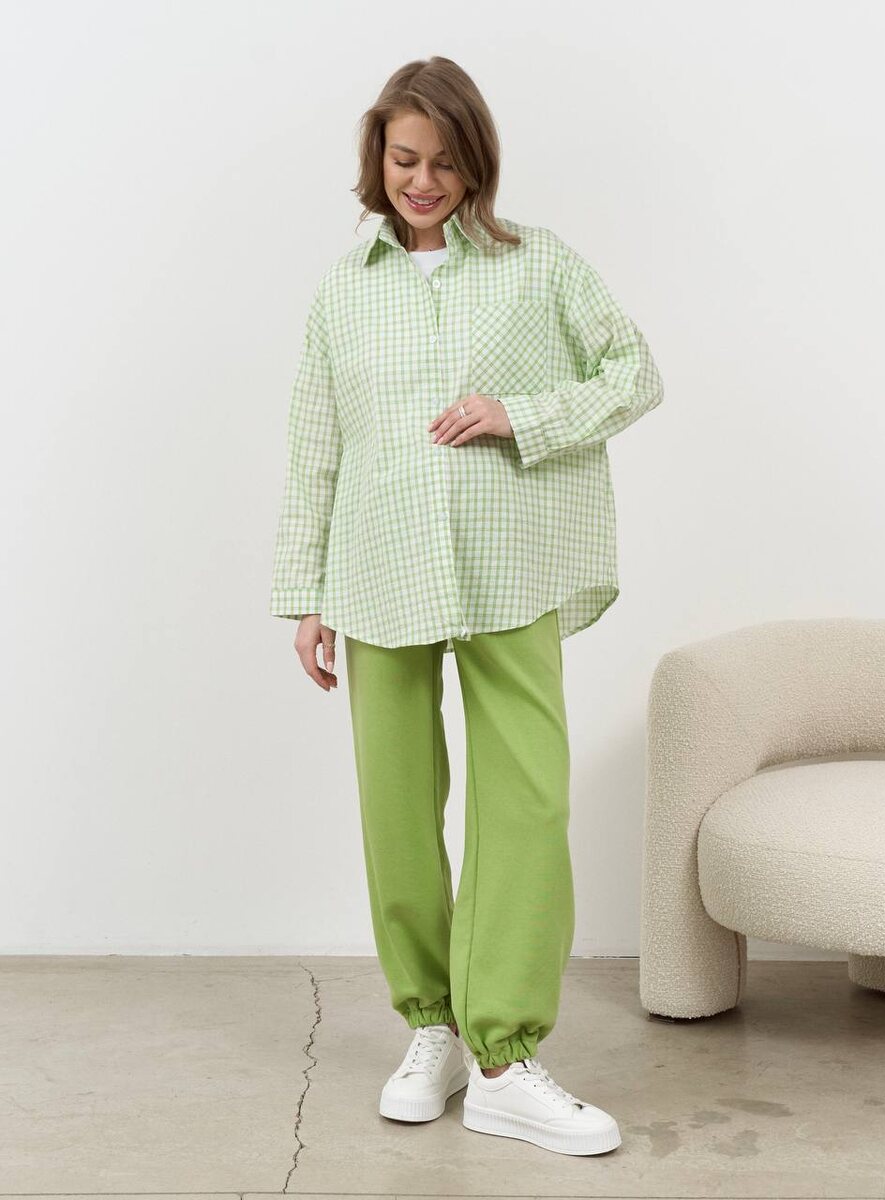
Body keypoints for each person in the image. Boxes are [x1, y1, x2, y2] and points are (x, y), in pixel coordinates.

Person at [270, 55, 663, 1157]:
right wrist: (306, 595)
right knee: (396, 807)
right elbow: (316, 446)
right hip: (378, 568)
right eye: (405, 159)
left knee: (525, 802)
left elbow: (634, 371)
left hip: (510, 563)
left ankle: (503, 1058)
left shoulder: (541, 266)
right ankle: (433, 1027)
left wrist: (520, 414)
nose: (423, 181)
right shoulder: (344, 292)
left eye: (445, 162)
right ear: (377, 157)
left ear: (476, 162)